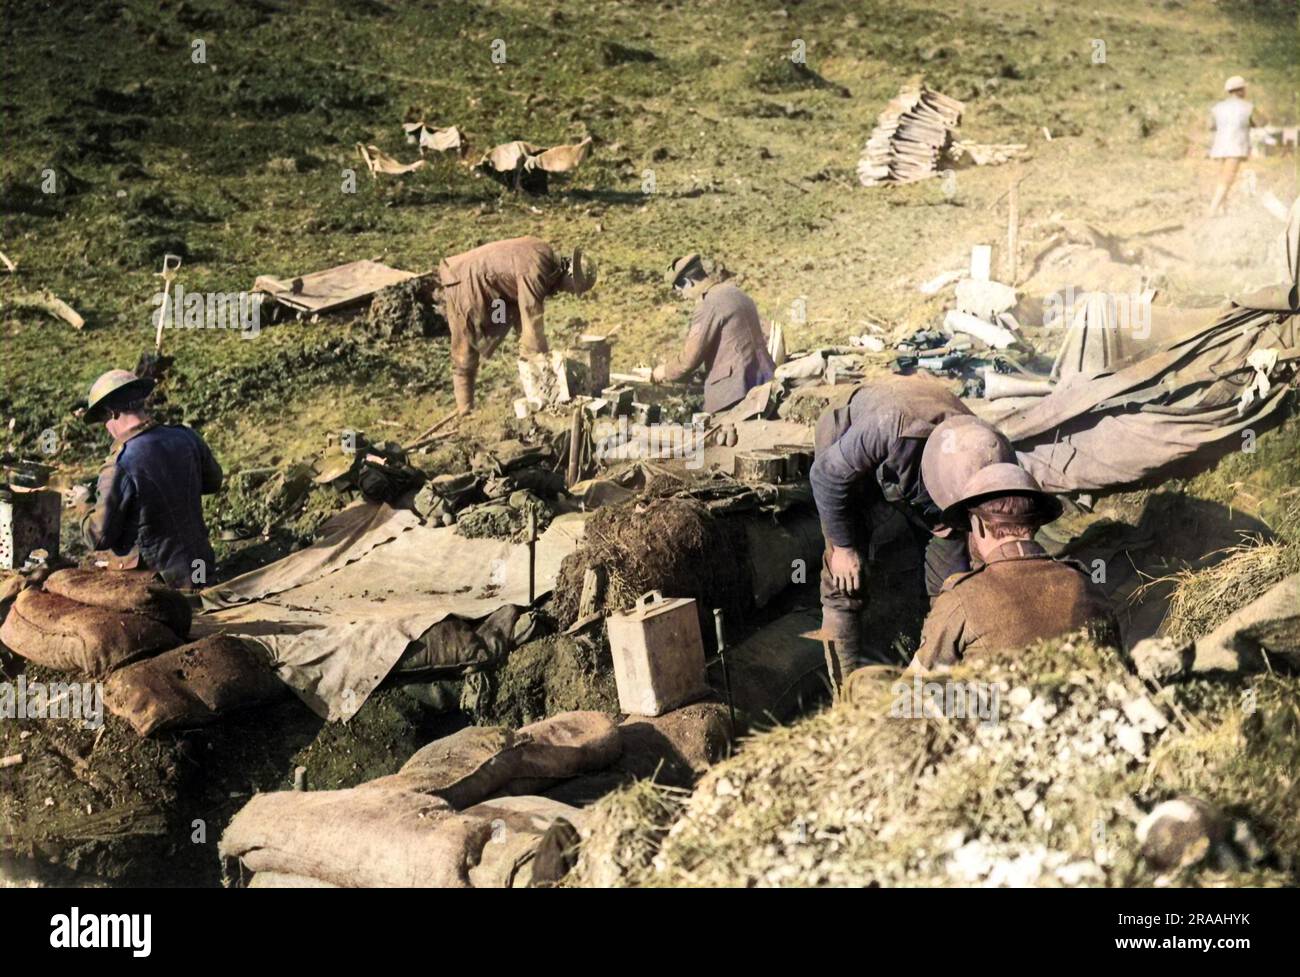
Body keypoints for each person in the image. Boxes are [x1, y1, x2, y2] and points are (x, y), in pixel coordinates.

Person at [810, 377, 1014, 682]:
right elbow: (826, 476)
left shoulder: (989, 449)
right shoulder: (889, 426)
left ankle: (933, 684)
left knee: (952, 588)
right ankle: (846, 693)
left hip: (929, 485)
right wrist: (843, 547)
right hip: (851, 459)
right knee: (844, 580)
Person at [910, 462, 1114, 671]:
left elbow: (912, 689)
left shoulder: (960, 599)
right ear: (1035, 524)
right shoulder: (1088, 585)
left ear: (978, 525)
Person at [80, 369, 223, 591]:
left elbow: (99, 538)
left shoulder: (120, 463)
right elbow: (213, 482)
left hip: (158, 588)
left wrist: (83, 503)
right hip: (201, 571)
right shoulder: (186, 436)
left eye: (103, 420)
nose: (107, 429)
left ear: (112, 412)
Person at [437, 236, 597, 413]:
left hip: (494, 287)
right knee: (465, 348)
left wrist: (538, 350)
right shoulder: (537, 268)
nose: (568, 292)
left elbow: (527, 310)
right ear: (570, 273)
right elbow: (531, 313)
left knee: (513, 329)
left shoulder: (546, 259)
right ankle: (465, 410)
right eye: (572, 287)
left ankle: (535, 386)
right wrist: (541, 360)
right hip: (467, 281)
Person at [649, 254, 775, 414]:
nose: (685, 298)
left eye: (682, 293)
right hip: (764, 380)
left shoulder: (708, 304)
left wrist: (663, 371)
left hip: (735, 392)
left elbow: (689, 360)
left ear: (688, 283)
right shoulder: (734, 292)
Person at [1207, 75, 1257, 217]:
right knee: (1228, 178)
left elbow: (1210, 125)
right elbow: (1261, 122)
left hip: (1219, 146)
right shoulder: (1248, 107)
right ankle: (1213, 209)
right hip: (1236, 146)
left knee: (1222, 176)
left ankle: (1223, 209)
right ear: (1240, 90)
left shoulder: (1217, 107)